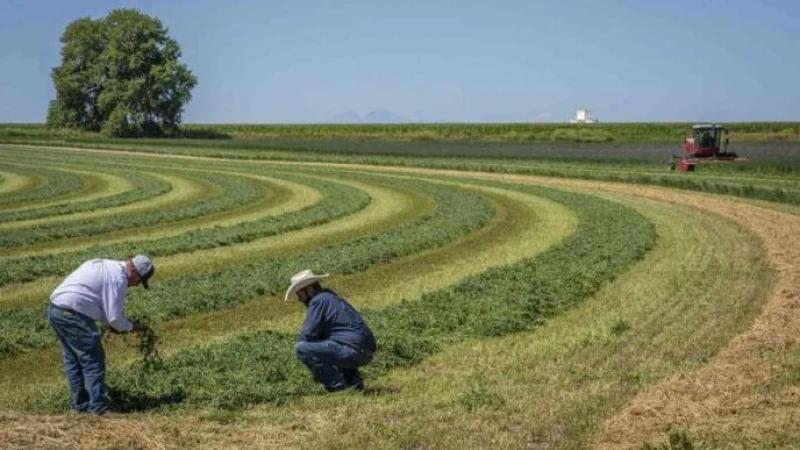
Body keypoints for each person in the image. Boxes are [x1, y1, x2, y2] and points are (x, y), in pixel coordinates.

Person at [48, 254, 155, 415]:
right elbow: (114, 318)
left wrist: (114, 325)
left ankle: (80, 407)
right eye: (139, 281)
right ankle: (98, 409)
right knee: (93, 360)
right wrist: (132, 327)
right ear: (133, 270)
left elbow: (104, 309)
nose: (136, 285)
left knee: (73, 360)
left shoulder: (106, 265)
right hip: (74, 313)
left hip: (56, 309)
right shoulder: (118, 279)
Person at [286, 270, 377, 392]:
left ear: (309, 289)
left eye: (300, 294)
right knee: (331, 341)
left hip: (353, 350)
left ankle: (338, 388)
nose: (299, 299)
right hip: (366, 350)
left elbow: (307, 335)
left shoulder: (317, 301)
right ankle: (355, 385)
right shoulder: (330, 297)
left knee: (301, 348)